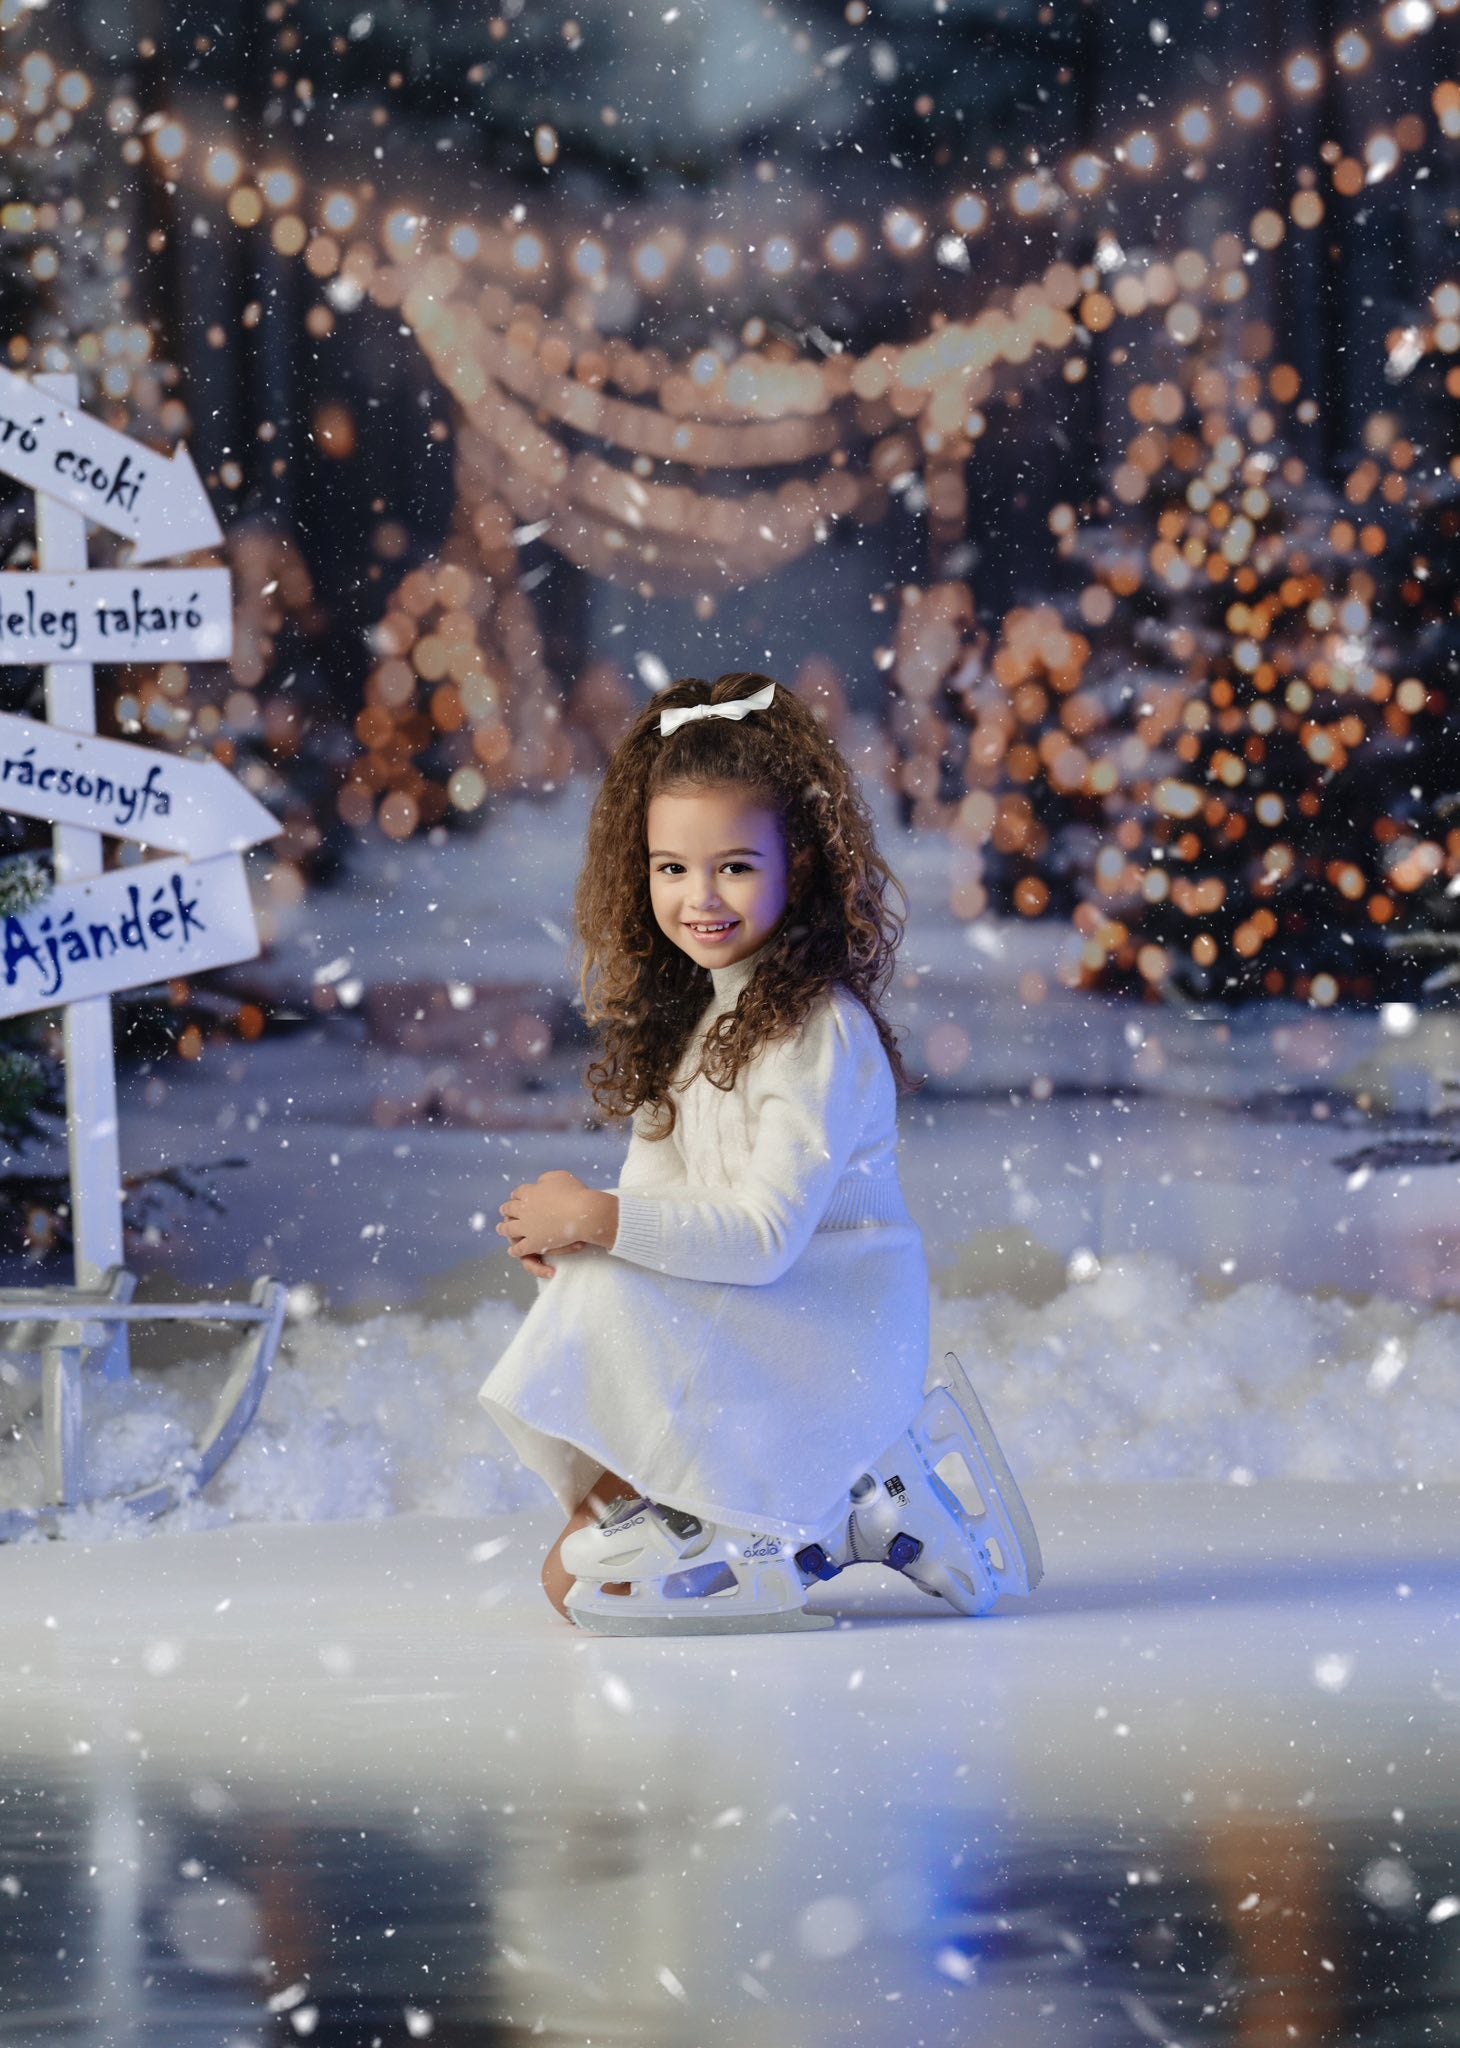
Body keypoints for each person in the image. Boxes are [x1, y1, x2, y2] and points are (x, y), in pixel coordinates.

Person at [480, 672, 1041, 1635]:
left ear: (803, 868)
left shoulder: (814, 1029)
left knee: (575, 1579)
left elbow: (763, 1237)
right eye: (671, 869)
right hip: (755, 1315)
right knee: (570, 1567)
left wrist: (601, 1220)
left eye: (734, 866)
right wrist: (580, 1237)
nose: (699, 898)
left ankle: (836, 1491)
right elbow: (665, 1208)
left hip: (831, 1329)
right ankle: (807, 1510)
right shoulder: (697, 1020)